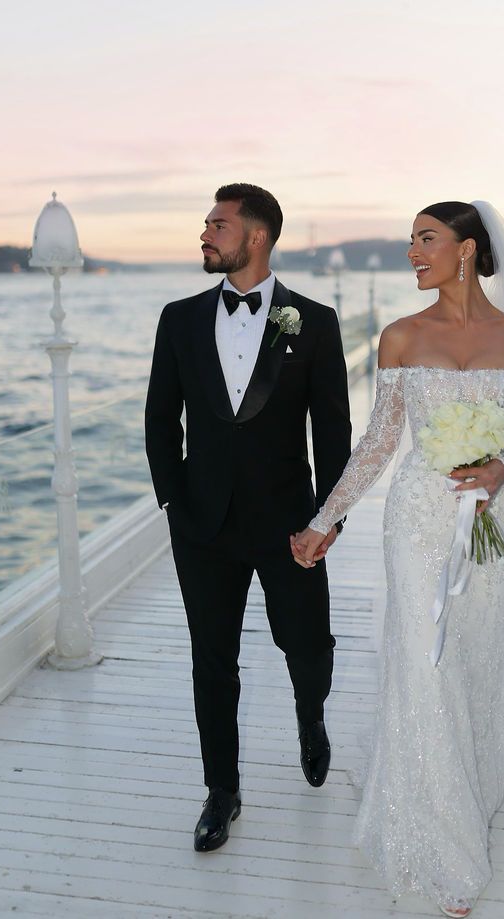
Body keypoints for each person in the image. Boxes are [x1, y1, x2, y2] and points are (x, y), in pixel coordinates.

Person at [291, 201, 504, 917]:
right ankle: (444, 845)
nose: (412, 250)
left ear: (466, 249)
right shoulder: (400, 336)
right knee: (423, 660)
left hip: (495, 518)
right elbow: (379, 442)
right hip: (416, 519)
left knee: (478, 654)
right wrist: (325, 518)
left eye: (425, 238)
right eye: (411, 239)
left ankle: (471, 785)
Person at [145, 183, 352, 853]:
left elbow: (334, 432)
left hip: (289, 521)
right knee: (213, 660)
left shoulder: (313, 320)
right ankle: (222, 789)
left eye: (217, 224)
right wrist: (176, 503)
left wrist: (328, 518)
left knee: (307, 642)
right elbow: (158, 421)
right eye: (207, 223)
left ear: (255, 236)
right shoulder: (177, 318)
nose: (205, 234)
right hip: (202, 526)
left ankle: (310, 715)